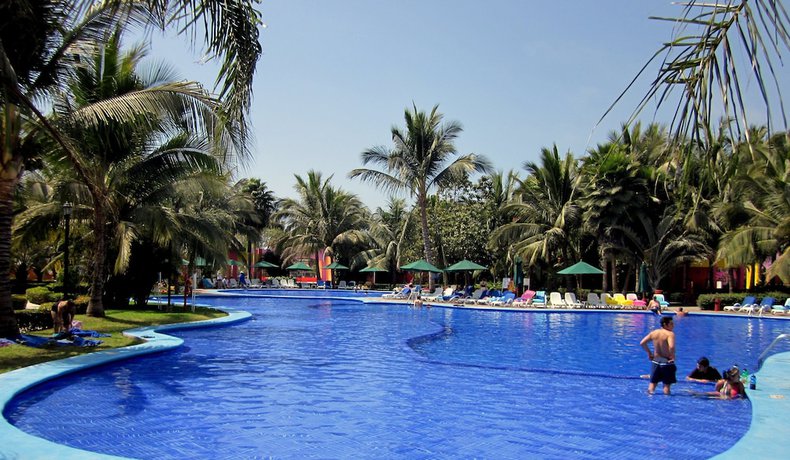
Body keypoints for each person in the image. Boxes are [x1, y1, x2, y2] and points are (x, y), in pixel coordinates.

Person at [639, 316, 676, 395]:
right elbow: (671, 346)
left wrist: (649, 353)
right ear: (665, 324)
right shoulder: (670, 334)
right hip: (666, 361)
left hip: (655, 360)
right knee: (666, 387)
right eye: (671, 324)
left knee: (652, 384)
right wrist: (672, 356)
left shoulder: (654, 332)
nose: (673, 325)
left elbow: (642, 343)